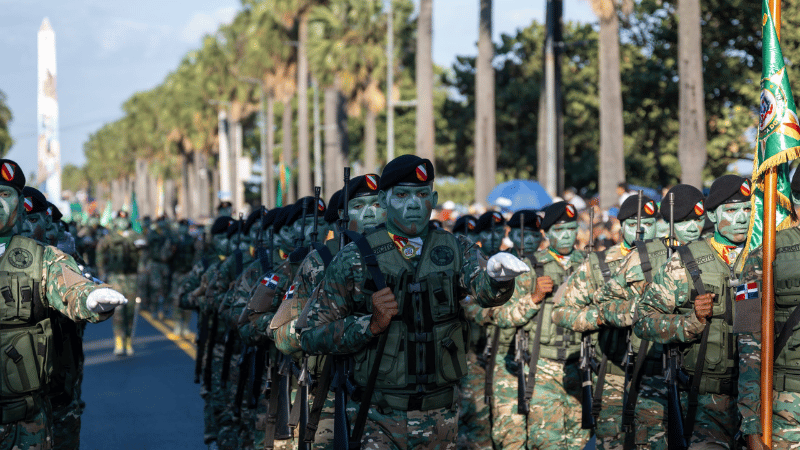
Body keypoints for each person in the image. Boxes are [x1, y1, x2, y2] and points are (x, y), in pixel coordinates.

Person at [300, 154, 529, 449]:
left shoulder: (455, 248)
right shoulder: (354, 258)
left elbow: (485, 292)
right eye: (403, 195)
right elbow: (310, 335)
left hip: (441, 418)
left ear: (432, 198)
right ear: (384, 200)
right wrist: (369, 325)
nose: (413, 204)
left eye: (422, 194)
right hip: (376, 416)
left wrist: (499, 277)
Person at [0, 159, 127, 450]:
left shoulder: (41, 258)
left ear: (19, 204)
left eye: (5, 195)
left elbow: (70, 286)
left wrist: (91, 298)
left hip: (25, 421)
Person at [635, 174, 752, 448]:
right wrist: (692, 321)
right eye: (732, 210)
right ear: (712, 213)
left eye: (747, 209)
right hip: (704, 405)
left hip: (757, 403)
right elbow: (644, 320)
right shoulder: (687, 261)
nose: (742, 218)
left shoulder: (763, 256)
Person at [597, 184, 706, 449]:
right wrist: (640, 309)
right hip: (652, 371)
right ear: (667, 221)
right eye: (684, 221)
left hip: (701, 376)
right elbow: (605, 303)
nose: (692, 227)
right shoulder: (645, 255)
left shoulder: (711, 254)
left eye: (698, 219)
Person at [553, 195, 659, 450]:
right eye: (633, 223)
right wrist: (599, 316)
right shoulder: (598, 265)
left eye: (649, 222)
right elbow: (561, 311)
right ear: (620, 226)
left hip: (656, 376)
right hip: (612, 374)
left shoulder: (671, 261)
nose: (642, 230)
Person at [487, 201, 589, 449]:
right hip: (542, 368)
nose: (565, 235)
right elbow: (499, 315)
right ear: (549, 232)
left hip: (582, 367)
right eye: (558, 230)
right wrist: (532, 299)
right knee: (545, 442)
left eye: (571, 229)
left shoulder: (591, 264)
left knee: (579, 442)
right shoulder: (528, 267)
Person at [735, 169, 800, 450]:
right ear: (795, 198)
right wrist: (751, 423)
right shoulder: (760, 257)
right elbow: (746, 343)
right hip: (787, 410)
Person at [96, 210, 146, 356]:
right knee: (117, 311)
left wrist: (142, 270)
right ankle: (118, 341)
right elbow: (100, 252)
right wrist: (101, 272)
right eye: (119, 219)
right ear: (116, 221)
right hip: (115, 277)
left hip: (132, 277)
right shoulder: (109, 237)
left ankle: (129, 341)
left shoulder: (136, 236)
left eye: (124, 219)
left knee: (130, 311)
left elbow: (144, 253)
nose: (122, 222)